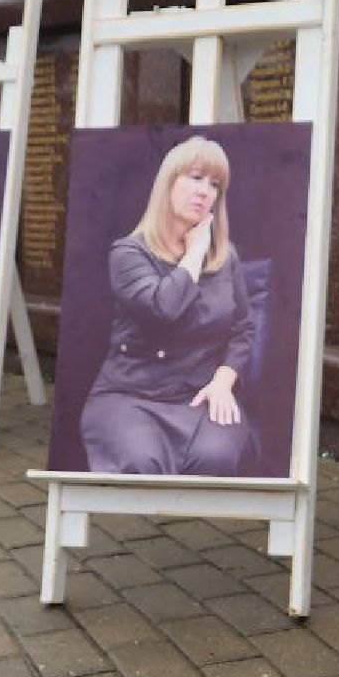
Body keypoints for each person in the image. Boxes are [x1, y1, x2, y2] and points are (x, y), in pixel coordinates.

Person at [79, 135, 257, 475]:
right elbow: (162, 310)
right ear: (168, 183)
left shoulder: (225, 257)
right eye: (195, 177)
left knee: (214, 459)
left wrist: (223, 381)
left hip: (199, 394)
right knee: (143, 463)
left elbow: (243, 327)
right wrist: (192, 253)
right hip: (131, 395)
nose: (205, 191)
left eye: (215, 184)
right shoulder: (129, 253)